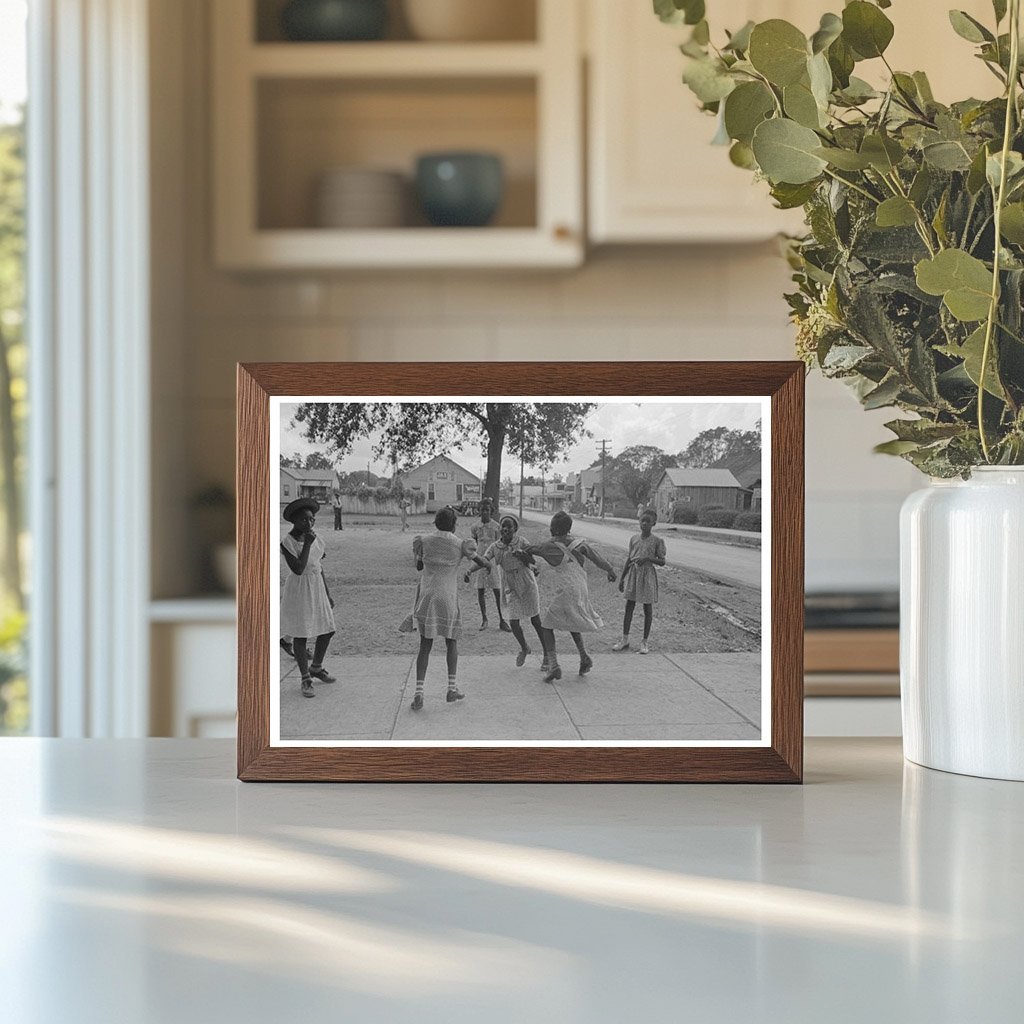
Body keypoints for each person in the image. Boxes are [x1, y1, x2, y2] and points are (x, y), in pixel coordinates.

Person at [400, 506, 488, 711]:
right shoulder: (460, 544)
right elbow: (479, 560)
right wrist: (487, 563)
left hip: (427, 596)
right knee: (451, 642)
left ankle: (419, 693)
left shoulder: (423, 541)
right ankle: (451, 688)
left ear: (435, 523)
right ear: (454, 525)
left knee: (425, 646)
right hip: (447, 597)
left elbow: (419, 567)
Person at [515, 510, 617, 682]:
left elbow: (530, 549)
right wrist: (610, 570)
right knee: (573, 621)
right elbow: (598, 558)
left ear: (553, 528)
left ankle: (554, 665)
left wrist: (519, 551)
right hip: (581, 588)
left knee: (546, 626)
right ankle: (584, 657)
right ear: (569, 529)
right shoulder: (580, 544)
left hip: (566, 590)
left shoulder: (549, 546)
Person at [467, 514, 544, 667]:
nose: (505, 529)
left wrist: (524, 556)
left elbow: (534, 561)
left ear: (515, 529)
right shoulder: (495, 546)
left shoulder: (522, 542)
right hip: (510, 584)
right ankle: (524, 647)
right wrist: (470, 571)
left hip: (526, 582)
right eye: (503, 526)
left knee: (535, 620)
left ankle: (547, 654)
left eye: (509, 526)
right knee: (513, 621)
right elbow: (484, 560)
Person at [280, 498, 336, 698]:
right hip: (299, 589)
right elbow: (298, 568)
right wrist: (306, 544)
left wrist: (327, 593)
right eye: (304, 520)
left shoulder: (316, 538)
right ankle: (305, 678)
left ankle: (316, 667)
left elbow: (318, 567)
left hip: (317, 586)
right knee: (301, 634)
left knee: (328, 629)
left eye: (312, 520)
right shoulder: (287, 542)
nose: (309, 524)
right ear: (294, 521)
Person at [614, 508, 667, 655]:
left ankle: (644, 642)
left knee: (647, 608)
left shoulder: (657, 541)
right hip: (633, 574)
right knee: (629, 606)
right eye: (642, 521)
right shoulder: (634, 539)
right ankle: (624, 639)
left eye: (648, 522)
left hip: (648, 575)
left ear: (654, 523)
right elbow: (629, 559)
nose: (644, 524)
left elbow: (662, 561)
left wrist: (649, 559)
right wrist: (622, 578)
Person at [469, 500, 509, 632]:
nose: (485, 512)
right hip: (480, 558)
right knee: (481, 589)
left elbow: (499, 543)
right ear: (479, 511)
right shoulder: (475, 527)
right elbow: (474, 541)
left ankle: (502, 619)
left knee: (497, 589)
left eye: (487, 510)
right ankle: (484, 619)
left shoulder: (497, 526)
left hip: (492, 559)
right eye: (482, 510)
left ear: (491, 511)